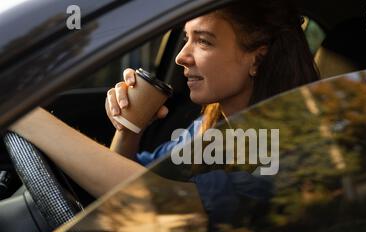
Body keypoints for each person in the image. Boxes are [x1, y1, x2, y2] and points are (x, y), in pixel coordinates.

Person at [9, 0, 319, 199]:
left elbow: (149, 199)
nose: (183, 56)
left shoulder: (290, 153)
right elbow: (128, 179)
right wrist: (128, 128)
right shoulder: (207, 128)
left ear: (257, 58)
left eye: (204, 41)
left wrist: (21, 111)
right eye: (186, 39)